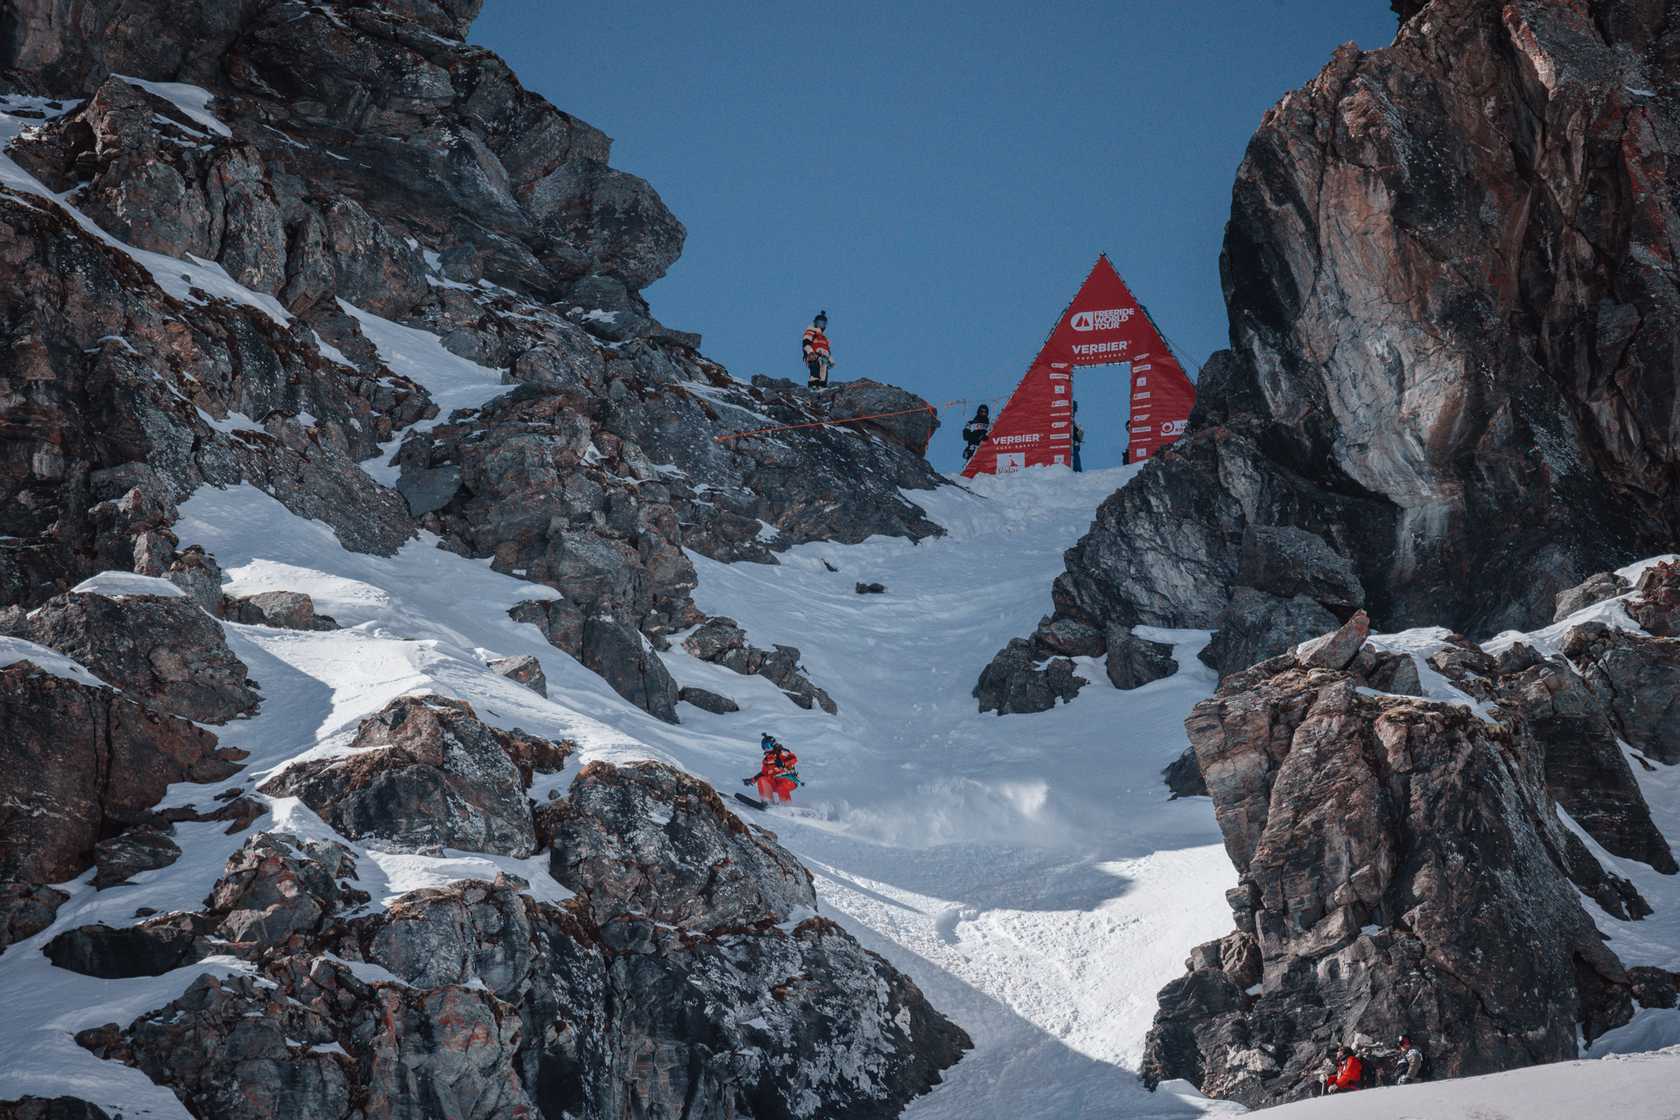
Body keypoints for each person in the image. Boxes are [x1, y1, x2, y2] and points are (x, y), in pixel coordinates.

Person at [744, 733, 801, 803]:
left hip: (789, 780)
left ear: (773, 744)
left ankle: (786, 805)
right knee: (762, 779)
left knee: (781, 787)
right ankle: (767, 801)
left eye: (768, 746)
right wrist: (752, 780)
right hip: (775, 781)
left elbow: (793, 759)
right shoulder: (766, 760)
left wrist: (783, 763)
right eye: (764, 747)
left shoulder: (782, 752)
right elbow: (764, 773)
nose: (766, 749)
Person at [802, 311, 833, 389]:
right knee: (815, 370)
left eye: (823, 323)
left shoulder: (824, 338)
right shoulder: (811, 331)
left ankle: (822, 387)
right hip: (814, 355)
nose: (821, 325)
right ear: (815, 323)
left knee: (823, 372)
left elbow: (827, 349)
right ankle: (813, 385)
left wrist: (830, 359)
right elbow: (806, 342)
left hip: (824, 357)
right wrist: (810, 352)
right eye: (819, 323)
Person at [1070, 401, 1085, 472]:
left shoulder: (1075, 424)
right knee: (1077, 470)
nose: (1074, 413)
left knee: (1077, 470)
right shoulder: (1072, 423)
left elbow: (1080, 437)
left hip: (1074, 447)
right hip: (1071, 448)